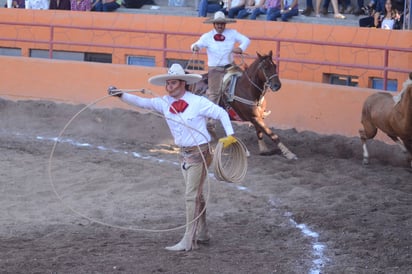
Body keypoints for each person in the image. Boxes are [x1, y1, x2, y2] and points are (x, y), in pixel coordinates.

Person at [108, 63, 237, 252]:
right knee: (196, 194)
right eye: (168, 83)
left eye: (173, 83)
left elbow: (222, 113)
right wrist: (120, 95)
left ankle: (188, 240)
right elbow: (143, 103)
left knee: (191, 195)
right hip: (184, 153)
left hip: (199, 153)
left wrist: (230, 136)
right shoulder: (164, 103)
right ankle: (202, 232)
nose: (169, 86)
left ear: (182, 83)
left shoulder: (198, 102)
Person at [191, 11, 250, 132]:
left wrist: (240, 48)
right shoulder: (207, 36)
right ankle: (210, 121)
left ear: (225, 24)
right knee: (214, 93)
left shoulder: (232, 33)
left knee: (247, 81)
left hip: (231, 67)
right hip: (216, 70)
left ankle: (252, 107)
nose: (220, 26)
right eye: (217, 24)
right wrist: (195, 47)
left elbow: (246, 40)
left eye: (222, 24)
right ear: (214, 24)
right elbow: (197, 44)